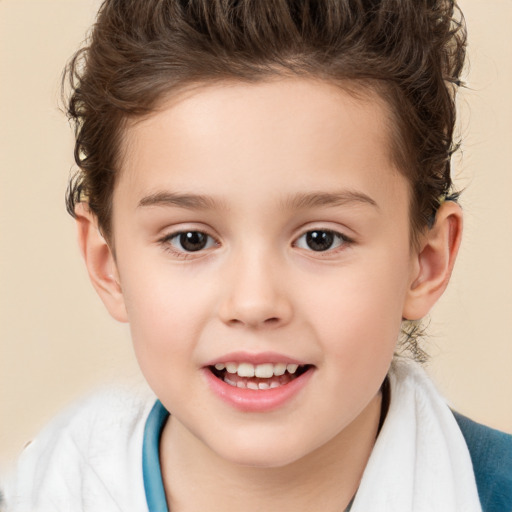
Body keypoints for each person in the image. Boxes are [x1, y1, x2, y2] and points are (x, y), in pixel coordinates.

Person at [3, 0, 511, 511]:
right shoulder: (40, 493)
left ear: (426, 262)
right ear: (106, 262)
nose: (253, 303)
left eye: (321, 238)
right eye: (191, 239)